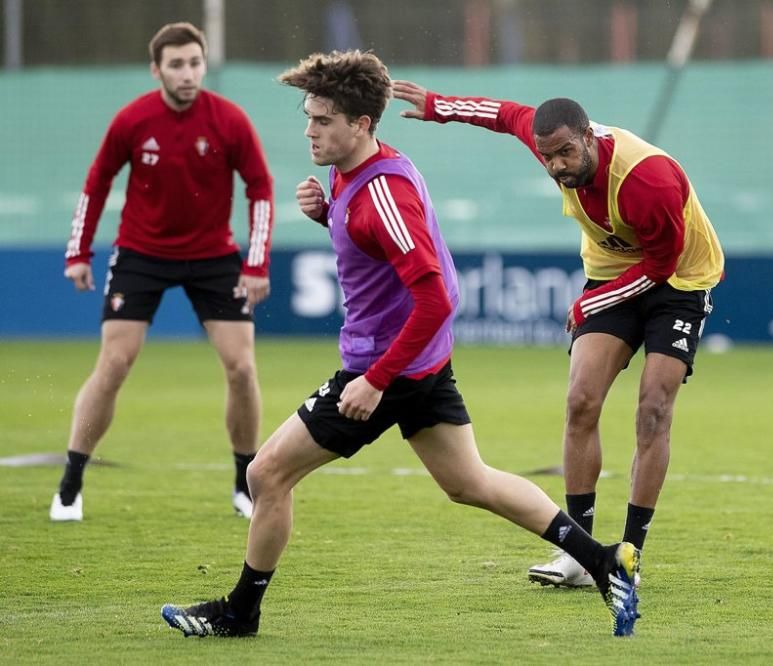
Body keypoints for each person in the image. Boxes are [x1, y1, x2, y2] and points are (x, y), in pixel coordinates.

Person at [159, 50, 640, 639]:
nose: (309, 130)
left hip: (387, 368)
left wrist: (376, 379)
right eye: (308, 117)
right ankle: (603, 559)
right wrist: (327, 212)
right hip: (419, 364)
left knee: (266, 475)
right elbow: (371, 246)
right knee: (471, 483)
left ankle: (240, 614)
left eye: (323, 120)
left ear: (361, 124)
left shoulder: (384, 194)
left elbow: (437, 298)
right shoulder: (356, 176)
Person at [393, 80, 724, 588]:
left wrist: (589, 301)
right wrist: (440, 108)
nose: (557, 166)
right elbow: (504, 114)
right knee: (581, 402)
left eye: (567, 152)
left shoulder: (648, 180)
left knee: (653, 409)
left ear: (589, 137)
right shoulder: (550, 142)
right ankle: (582, 556)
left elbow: (660, 265)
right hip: (612, 270)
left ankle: (630, 555)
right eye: (548, 157)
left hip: (679, 278)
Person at [50, 22, 274, 522]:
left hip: (215, 258)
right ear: (157, 70)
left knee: (241, 367)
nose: (188, 73)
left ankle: (244, 483)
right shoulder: (132, 120)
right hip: (141, 254)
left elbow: (260, 187)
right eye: (176, 64)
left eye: (195, 62)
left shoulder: (230, 120)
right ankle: (70, 484)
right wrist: (77, 252)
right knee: (114, 365)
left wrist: (256, 263)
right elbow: (97, 183)